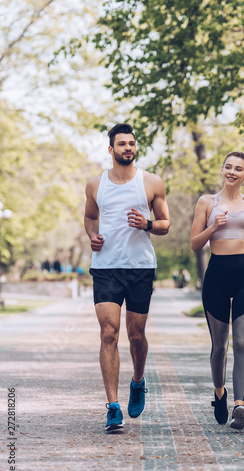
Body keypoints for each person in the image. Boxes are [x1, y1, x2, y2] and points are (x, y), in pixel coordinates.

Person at [84, 123, 170, 433]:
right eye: (121, 144)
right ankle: (112, 406)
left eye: (131, 143)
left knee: (136, 335)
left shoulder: (151, 182)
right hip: (106, 266)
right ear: (111, 149)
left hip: (140, 268)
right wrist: (93, 236)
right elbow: (90, 217)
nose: (127, 148)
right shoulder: (95, 185)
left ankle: (138, 381)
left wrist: (147, 223)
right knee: (109, 333)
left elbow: (165, 223)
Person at [191, 151, 244, 430]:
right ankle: (219, 393)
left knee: (242, 343)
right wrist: (213, 227)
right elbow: (195, 244)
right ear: (222, 170)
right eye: (228, 167)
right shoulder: (206, 202)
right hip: (217, 276)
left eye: (238, 168)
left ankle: (240, 405)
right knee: (220, 346)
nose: (232, 172)